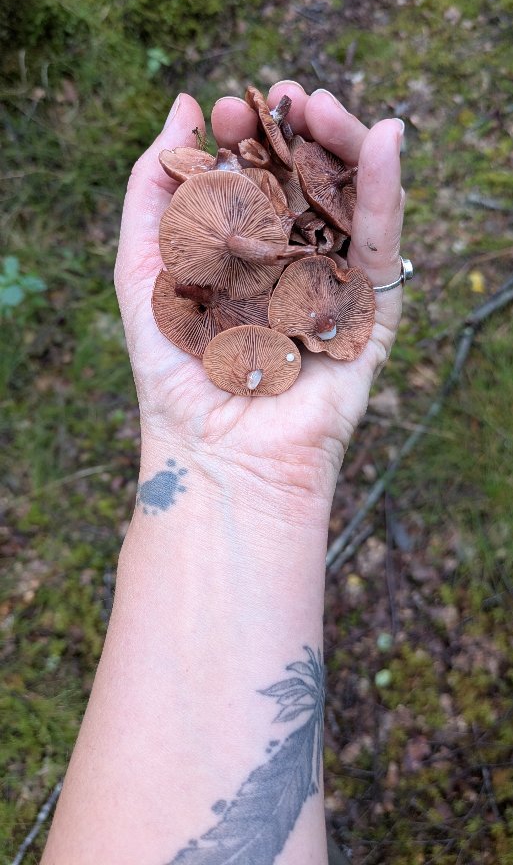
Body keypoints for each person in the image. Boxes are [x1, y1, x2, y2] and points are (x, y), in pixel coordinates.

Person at [40, 81, 406, 865]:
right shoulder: (212, 253)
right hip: (240, 330)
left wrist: (313, 246)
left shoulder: (290, 256)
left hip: (289, 326)